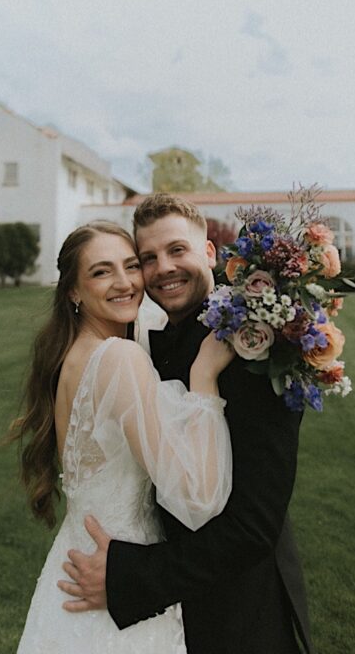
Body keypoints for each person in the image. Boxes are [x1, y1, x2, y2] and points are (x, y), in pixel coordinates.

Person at [58, 193, 313, 654]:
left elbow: (253, 527)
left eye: (178, 250)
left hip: (236, 617)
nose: (163, 269)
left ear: (211, 253)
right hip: (162, 617)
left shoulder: (252, 348)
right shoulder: (141, 345)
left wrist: (126, 577)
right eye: (148, 258)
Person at [13, 220, 235, 653]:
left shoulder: (73, 354)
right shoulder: (118, 358)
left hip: (76, 564)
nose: (124, 283)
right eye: (101, 272)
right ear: (73, 291)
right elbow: (198, 496)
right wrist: (204, 377)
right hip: (118, 584)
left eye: (131, 266)